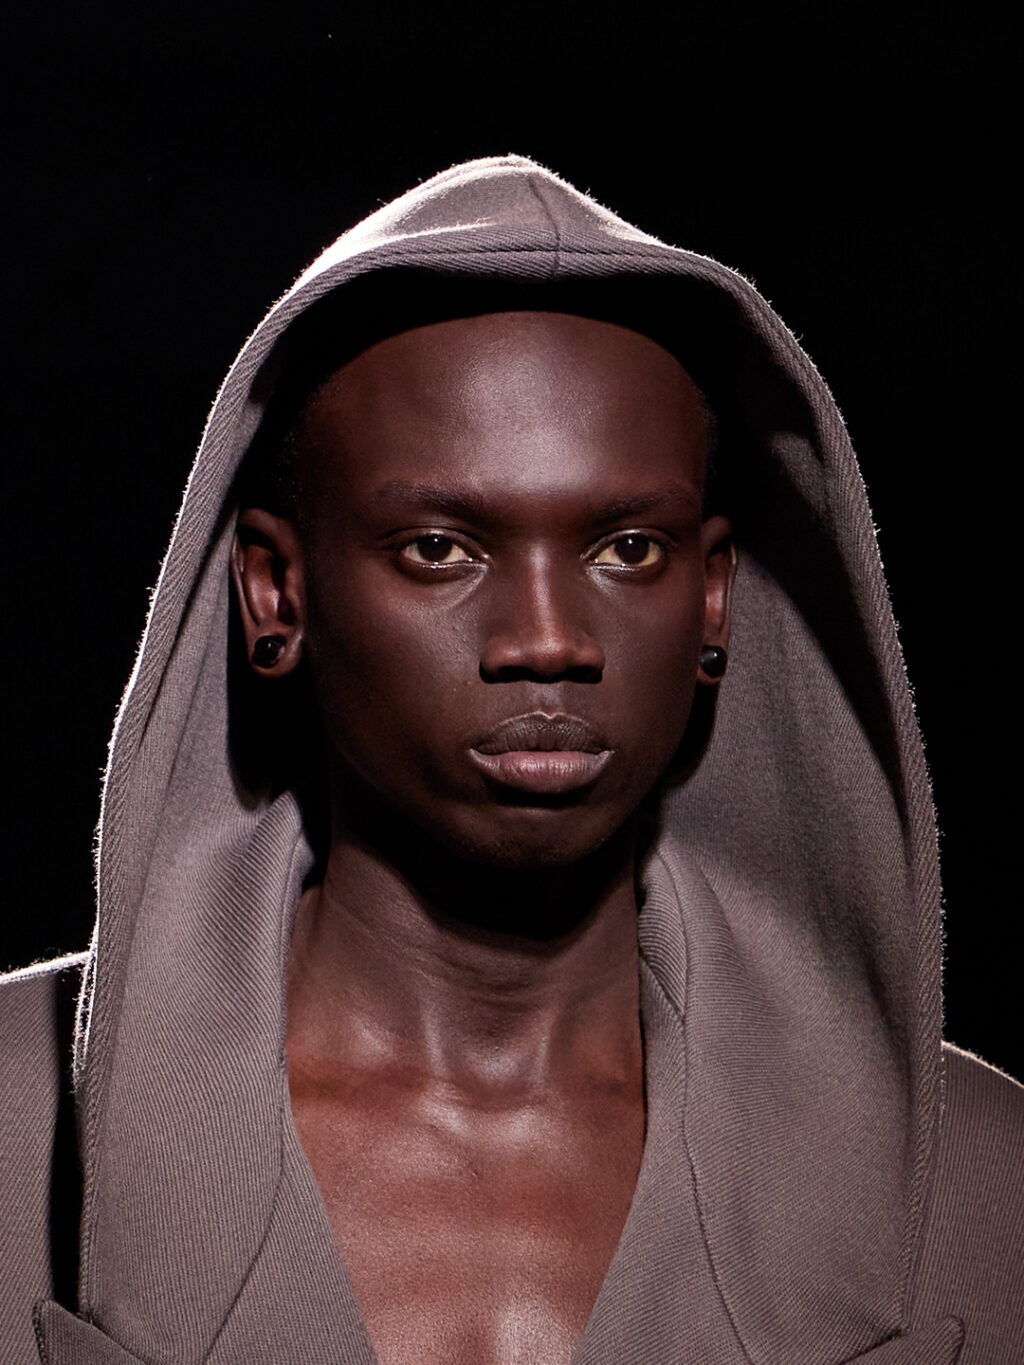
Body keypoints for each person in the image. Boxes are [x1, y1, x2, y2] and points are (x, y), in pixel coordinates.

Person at [1, 155, 1020, 1365]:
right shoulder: (13, 1122)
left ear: (712, 597)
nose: (547, 640)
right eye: (439, 548)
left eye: (627, 548)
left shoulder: (988, 1182)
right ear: (276, 590)